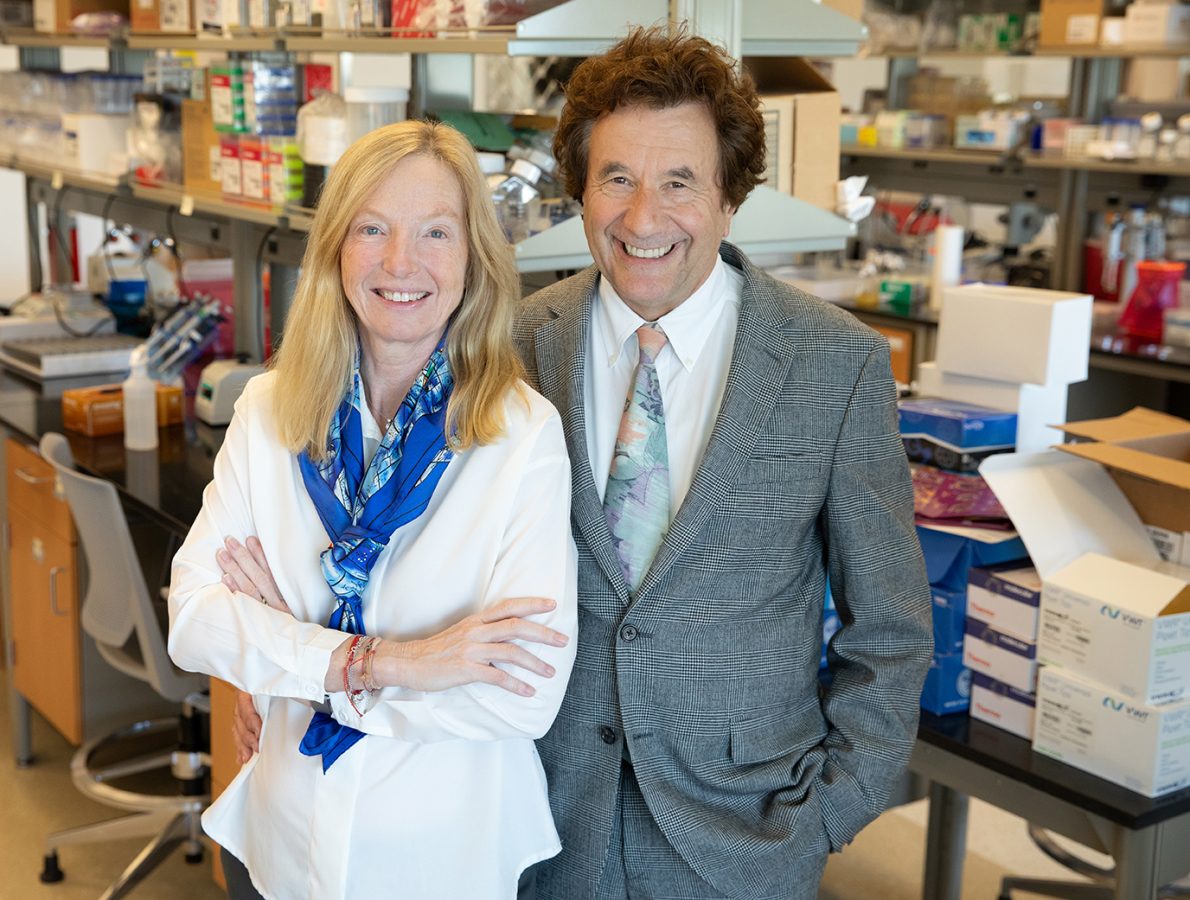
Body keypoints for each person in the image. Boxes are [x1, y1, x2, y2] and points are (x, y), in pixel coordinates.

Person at [232, 24, 932, 900]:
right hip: (540, 817)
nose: (643, 218)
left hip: (748, 833)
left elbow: (890, 629)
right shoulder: (508, 349)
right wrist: (281, 669)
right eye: (617, 179)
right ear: (579, 192)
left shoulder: (834, 364)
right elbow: (397, 546)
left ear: (729, 196)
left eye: (679, 182)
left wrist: (831, 811)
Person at [167, 118, 579, 900]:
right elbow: (192, 618)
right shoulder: (267, 411)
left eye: (435, 232)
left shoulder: (522, 437)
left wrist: (290, 661)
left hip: (437, 863)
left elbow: (519, 698)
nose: (400, 262)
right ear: (335, 249)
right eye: (372, 229)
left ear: (473, 257)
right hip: (281, 841)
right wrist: (398, 664)